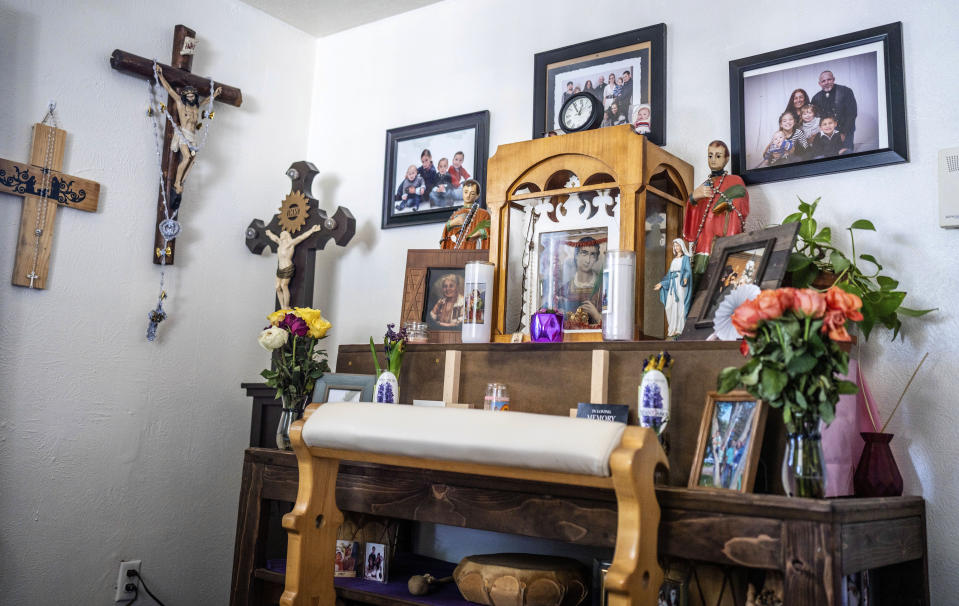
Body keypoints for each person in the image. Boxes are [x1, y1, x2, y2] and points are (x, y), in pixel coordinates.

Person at [682, 141, 750, 274]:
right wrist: (693, 198)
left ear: (726, 159)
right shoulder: (704, 185)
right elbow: (694, 218)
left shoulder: (735, 180)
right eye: (710, 156)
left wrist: (727, 205)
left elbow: (741, 205)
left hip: (722, 236)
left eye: (718, 156)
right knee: (699, 281)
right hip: (703, 242)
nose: (713, 160)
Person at [155, 65, 222, 199]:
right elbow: (169, 89)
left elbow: (206, 101)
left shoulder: (196, 107)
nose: (191, 98)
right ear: (185, 96)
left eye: (193, 96)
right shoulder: (180, 104)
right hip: (183, 135)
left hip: (192, 136)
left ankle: (182, 181)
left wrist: (214, 94)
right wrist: (160, 75)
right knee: (186, 157)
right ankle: (176, 183)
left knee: (192, 160)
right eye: (189, 96)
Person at [265, 224, 323, 309]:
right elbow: (274, 238)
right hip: (280, 268)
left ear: (285, 236)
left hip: (287, 267)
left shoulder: (290, 244)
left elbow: (301, 237)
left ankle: (286, 306)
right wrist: (269, 233)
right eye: (281, 234)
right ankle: (282, 307)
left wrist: (312, 230)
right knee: (277, 287)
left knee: (284, 286)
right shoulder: (280, 244)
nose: (280, 235)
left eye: (282, 234)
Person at [553, 236, 603, 330]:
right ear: (576, 255)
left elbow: (612, 326)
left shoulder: (603, 287)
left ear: (596, 258)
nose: (587, 260)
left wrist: (596, 315)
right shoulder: (564, 290)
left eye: (592, 254)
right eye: (584, 253)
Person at [654, 238, 693, 338]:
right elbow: (669, 275)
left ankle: (679, 328)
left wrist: (685, 278)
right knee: (669, 306)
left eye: (678, 245)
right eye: (675, 246)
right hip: (672, 284)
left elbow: (688, 271)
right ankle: (672, 328)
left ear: (681, 247)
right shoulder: (674, 260)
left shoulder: (685, 259)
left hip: (680, 284)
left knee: (679, 305)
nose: (676, 247)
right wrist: (662, 284)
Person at [811, 70, 858, 150]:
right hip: (827, 133)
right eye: (823, 81)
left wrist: (843, 133)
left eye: (829, 79)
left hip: (846, 130)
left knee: (847, 154)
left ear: (833, 79)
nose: (826, 82)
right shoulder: (816, 98)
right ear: (820, 83)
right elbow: (815, 118)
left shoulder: (846, 91)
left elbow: (852, 113)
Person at [440, 179, 491, 249]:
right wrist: (451, 223)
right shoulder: (456, 214)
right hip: (456, 254)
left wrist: (479, 233)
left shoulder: (484, 214)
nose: (468, 196)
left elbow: (490, 232)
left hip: (474, 252)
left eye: (472, 193)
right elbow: (446, 237)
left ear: (477, 195)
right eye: (466, 192)